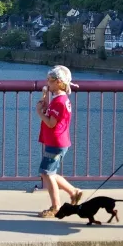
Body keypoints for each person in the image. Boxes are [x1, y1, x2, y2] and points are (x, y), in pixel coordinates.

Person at [36, 65, 83, 218]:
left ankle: (55, 207)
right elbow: (53, 117)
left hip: (56, 142)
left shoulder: (59, 101)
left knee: (47, 173)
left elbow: (51, 123)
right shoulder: (60, 99)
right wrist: (45, 107)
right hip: (58, 141)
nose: (47, 82)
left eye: (49, 80)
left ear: (58, 82)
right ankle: (73, 192)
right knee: (49, 172)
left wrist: (39, 113)